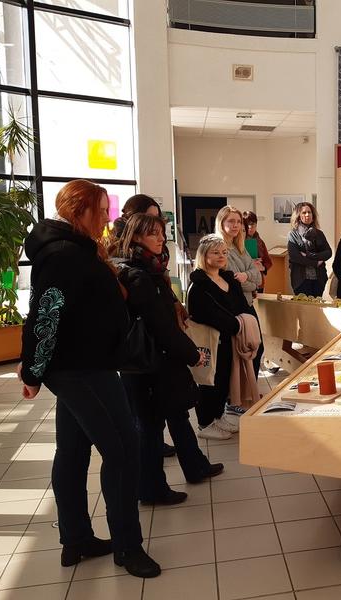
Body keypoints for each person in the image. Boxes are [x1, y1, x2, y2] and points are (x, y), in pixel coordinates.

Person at [18, 179, 160, 578]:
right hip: (81, 369)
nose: (106, 217)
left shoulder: (75, 248)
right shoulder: (64, 254)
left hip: (85, 364)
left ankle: (76, 539)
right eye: (99, 210)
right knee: (123, 451)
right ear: (77, 212)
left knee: (74, 451)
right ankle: (128, 548)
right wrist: (32, 370)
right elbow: (45, 316)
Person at [113, 214, 224, 506]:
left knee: (174, 415)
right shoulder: (138, 275)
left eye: (162, 233)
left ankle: (194, 465)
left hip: (152, 362)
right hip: (148, 364)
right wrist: (192, 354)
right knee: (149, 427)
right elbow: (160, 326)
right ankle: (151, 488)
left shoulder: (146, 269)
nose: (161, 239)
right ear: (136, 237)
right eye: (153, 234)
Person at [110, 193, 184, 459]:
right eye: (150, 222)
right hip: (142, 346)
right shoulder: (129, 262)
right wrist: (184, 349)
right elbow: (150, 311)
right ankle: (150, 476)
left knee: (158, 410)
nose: (159, 232)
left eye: (158, 220)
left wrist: (173, 301)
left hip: (156, 343)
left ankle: (165, 460)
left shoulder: (153, 259)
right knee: (145, 414)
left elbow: (161, 285)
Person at [187, 235, 253, 440]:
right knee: (209, 381)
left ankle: (218, 415)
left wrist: (239, 323)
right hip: (210, 340)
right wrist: (236, 324)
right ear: (204, 256)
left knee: (224, 379)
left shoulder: (229, 279)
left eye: (224, 252)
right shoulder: (198, 284)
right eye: (215, 252)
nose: (221, 256)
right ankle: (205, 423)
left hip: (230, 339)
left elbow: (242, 305)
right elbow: (202, 313)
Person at [215, 206, 264, 384]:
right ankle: (238, 395)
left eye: (238, 221)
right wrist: (250, 278)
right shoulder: (220, 247)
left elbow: (258, 277)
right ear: (221, 223)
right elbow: (234, 281)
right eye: (231, 221)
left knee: (255, 348)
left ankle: (248, 391)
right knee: (240, 352)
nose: (236, 225)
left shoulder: (239, 247)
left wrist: (247, 277)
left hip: (247, 304)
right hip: (235, 307)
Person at [287, 202, 332, 297]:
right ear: (298, 216)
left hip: (319, 280)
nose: (307, 215)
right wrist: (315, 263)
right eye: (304, 212)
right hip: (301, 280)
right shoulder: (293, 235)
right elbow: (295, 257)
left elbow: (328, 252)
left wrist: (309, 255)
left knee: (317, 308)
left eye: (309, 212)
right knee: (303, 309)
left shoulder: (319, 234)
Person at [243, 210, 273, 293]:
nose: (250, 227)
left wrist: (263, 268)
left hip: (259, 282)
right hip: (244, 282)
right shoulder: (238, 241)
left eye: (253, 224)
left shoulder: (260, 241)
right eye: (247, 224)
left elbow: (268, 262)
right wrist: (251, 262)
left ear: (256, 224)